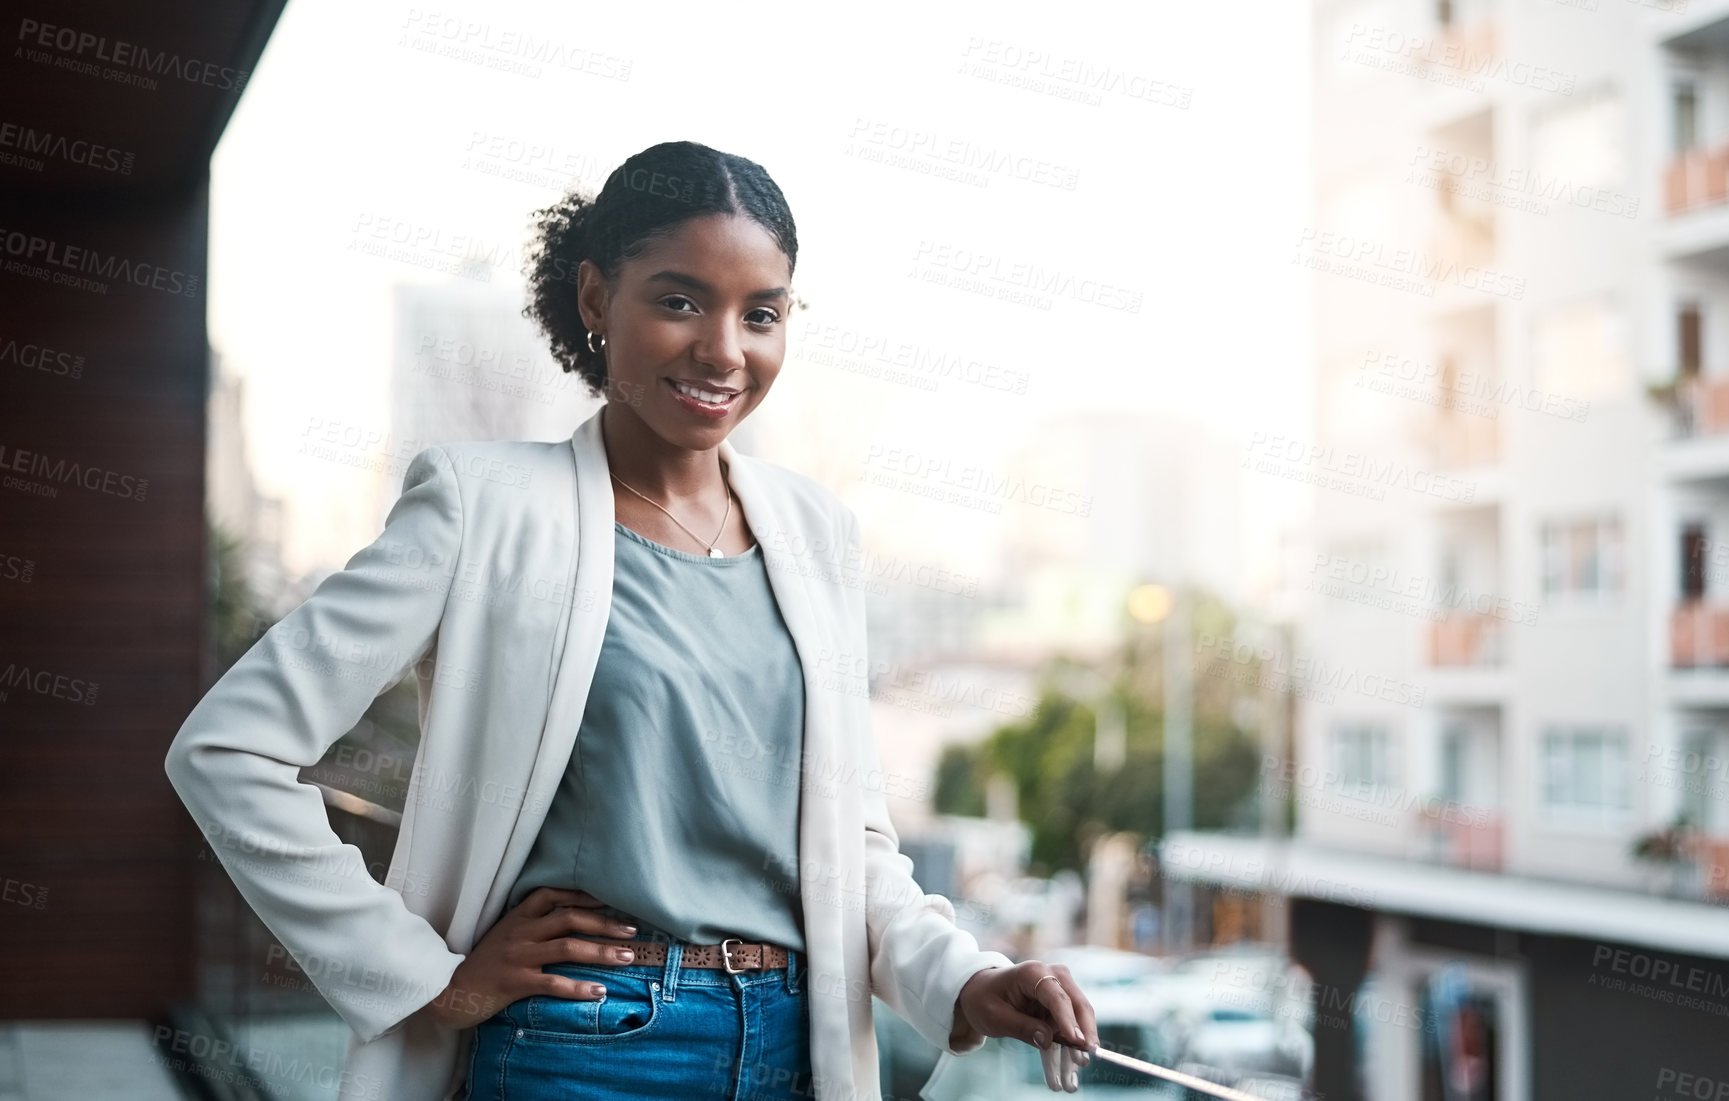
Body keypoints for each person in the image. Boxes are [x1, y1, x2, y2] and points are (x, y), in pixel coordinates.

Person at [166, 139, 1097, 1101]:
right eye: (680, 300)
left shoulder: (815, 533)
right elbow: (227, 751)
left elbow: (848, 846)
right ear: (595, 300)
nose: (724, 349)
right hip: (585, 1043)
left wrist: (969, 979)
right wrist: (424, 977)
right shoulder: (481, 507)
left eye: (761, 313)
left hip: (792, 1043)